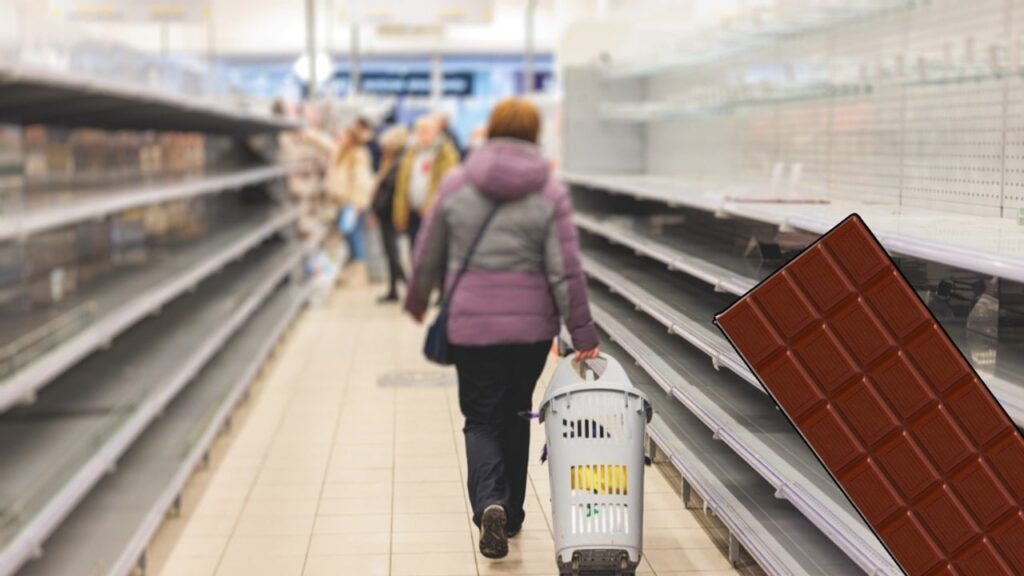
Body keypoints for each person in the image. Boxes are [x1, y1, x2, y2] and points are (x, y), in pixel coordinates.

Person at [404, 98, 600, 560]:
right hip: (531, 331)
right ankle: (510, 514)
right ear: (535, 134)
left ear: (491, 130)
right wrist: (582, 332)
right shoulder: (549, 192)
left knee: (481, 417)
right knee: (516, 412)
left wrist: (417, 298)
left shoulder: (456, 183)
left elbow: (428, 249)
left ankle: (489, 501)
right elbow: (565, 270)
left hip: (472, 327)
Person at [305, 124, 375, 280]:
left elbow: (362, 182)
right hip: (343, 203)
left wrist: (357, 204)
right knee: (349, 236)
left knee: (355, 237)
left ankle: (359, 273)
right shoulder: (341, 151)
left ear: (351, 139)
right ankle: (352, 270)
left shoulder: (357, 155)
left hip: (352, 204)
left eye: (343, 136)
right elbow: (326, 144)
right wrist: (308, 134)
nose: (339, 138)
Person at [392, 115, 459, 244]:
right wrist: (399, 214)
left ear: (436, 132)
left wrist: (430, 206)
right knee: (413, 248)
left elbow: (448, 184)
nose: (423, 135)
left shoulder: (445, 153)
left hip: (433, 214)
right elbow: (402, 185)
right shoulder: (411, 153)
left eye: (426, 131)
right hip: (412, 212)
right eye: (420, 132)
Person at [370, 125, 409, 303]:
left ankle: (407, 286)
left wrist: (376, 210)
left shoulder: (397, 163)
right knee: (390, 251)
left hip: (388, 213)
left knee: (391, 252)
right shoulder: (394, 162)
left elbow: (389, 191)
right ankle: (395, 288)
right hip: (387, 212)